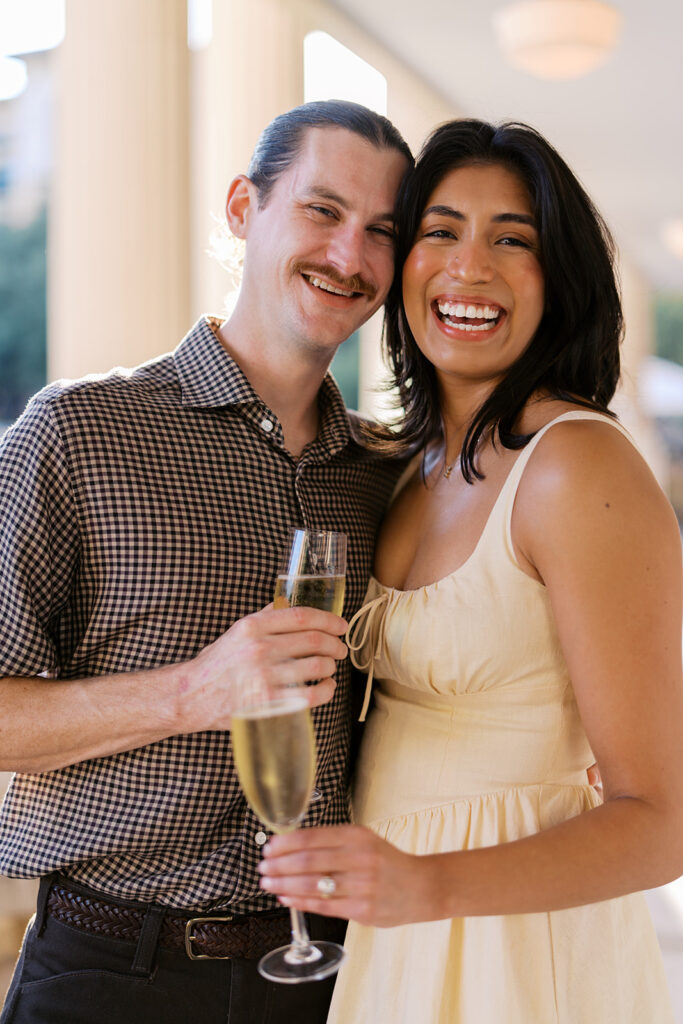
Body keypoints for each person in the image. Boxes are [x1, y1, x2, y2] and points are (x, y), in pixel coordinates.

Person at [258, 118, 683, 1022]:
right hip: (387, 933)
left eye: (511, 240)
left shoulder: (576, 467)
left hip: (514, 944)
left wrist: (432, 886)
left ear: (556, 279)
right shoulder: (403, 467)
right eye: (439, 231)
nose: (468, 267)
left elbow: (661, 821)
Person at [0, 100, 411, 1024]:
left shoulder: (387, 476)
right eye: (321, 210)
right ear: (241, 207)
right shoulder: (76, 433)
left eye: (381, 230)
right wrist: (196, 690)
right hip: (113, 970)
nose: (349, 256)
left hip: (332, 972)